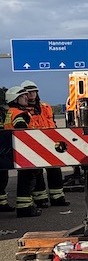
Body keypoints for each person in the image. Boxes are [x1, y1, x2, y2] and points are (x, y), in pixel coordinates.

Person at [21, 80, 69, 208]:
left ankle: (57, 197)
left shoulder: (45, 107)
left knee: (55, 170)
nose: (32, 94)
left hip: (50, 141)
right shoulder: (22, 109)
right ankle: (40, 199)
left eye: (34, 91)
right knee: (37, 172)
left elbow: (52, 123)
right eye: (29, 92)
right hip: (33, 143)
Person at [4, 86, 41, 217]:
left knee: (25, 178)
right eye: (22, 96)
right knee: (27, 179)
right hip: (24, 152)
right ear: (15, 99)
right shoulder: (20, 114)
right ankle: (25, 208)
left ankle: (25, 206)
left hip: (15, 151)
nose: (26, 97)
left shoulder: (11, 112)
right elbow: (22, 131)